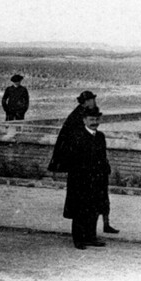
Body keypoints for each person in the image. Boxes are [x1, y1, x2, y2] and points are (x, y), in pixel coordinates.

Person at [48, 91, 118, 234]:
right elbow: (72, 142)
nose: (94, 102)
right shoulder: (78, 117)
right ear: (85, 101)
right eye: (92, 99)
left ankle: (102, 226)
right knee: (87, 203)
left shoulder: (83, 116)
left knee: (97, 198)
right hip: (83, 168)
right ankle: (87, 233)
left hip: (93, 167)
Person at [60, 107, 111, 250]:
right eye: (91, 119)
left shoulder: (100, 136)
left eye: (96, 119)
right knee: (80, 209)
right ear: (84, 120)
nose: (94, 122)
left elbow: (102, 157)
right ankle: (79, 239)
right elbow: (72, 159)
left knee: (94, 208)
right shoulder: (77, 136)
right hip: (80, 180)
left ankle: (91, 237)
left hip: (97, 180)